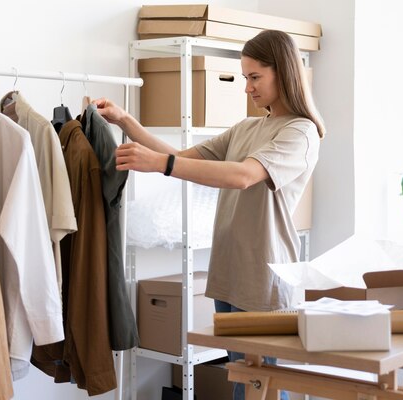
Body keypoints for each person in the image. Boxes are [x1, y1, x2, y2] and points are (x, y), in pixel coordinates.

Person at [94, 29, 325, 400]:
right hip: (229, 273)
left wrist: (161, 165)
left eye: (254, 77)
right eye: (245, 77)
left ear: (283, 72)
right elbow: (181, 157)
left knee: (260, 389)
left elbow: (243, 176)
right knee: (240, 383)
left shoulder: (301, 132)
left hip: (263, 279)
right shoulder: (247, 128)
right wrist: (126, 122)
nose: (247, 87)